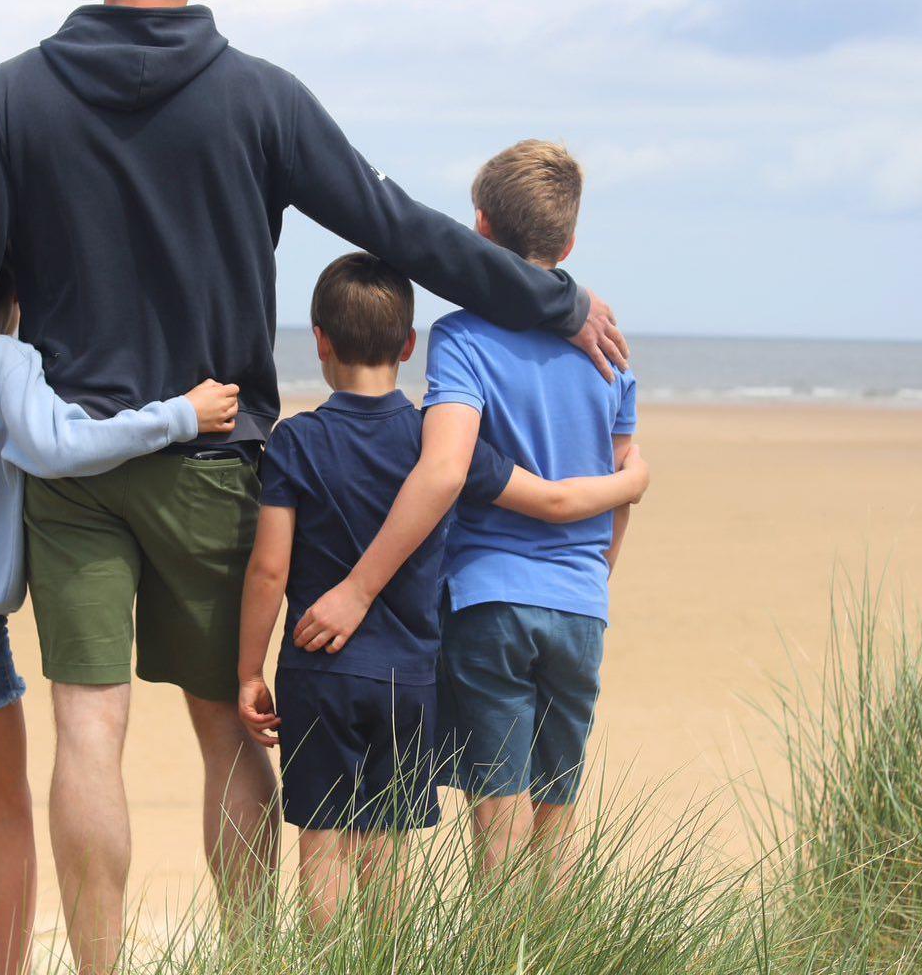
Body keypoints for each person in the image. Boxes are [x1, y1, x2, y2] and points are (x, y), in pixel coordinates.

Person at [0, 0, 628, 971]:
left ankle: (100, 966)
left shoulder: (11, 98)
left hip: (73, 470)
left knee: (87, 729)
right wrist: (553, 296)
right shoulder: (257, 97)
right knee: (223, 725)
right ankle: (255, 958)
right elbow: (399, 229)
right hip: (216, 461)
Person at [235, 254, 648, 930]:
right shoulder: (439, 444)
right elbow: (546, 498)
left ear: (319, 339)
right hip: (411, 677)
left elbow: (269, 571)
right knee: (387, 848)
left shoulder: (296, 441)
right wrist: (629, 483)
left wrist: (250, 669)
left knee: (322, 842)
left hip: (318, 671)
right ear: (407, 346)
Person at [0, 266, 240, 975]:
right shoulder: (4, 360)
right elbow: (61, 447)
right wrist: (179, 414)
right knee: (7, 816)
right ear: (18, 298)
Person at [309, 142, 636, 881]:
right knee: (557, 812)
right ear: (570, 241)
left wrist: (360, 588)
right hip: (583, 604)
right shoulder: (611, 349)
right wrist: (592, 578)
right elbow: (624, 486)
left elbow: (445, 467)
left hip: (489, 600)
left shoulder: (461, 338)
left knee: (497, 816)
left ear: (478, 233)